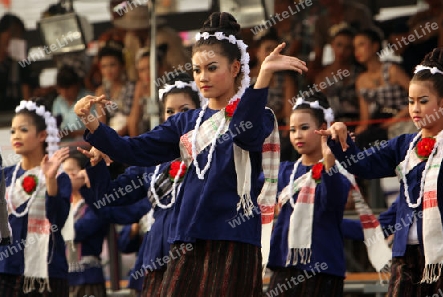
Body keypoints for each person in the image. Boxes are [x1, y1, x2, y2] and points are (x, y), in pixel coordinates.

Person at [74, 11, 307, 296]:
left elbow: (244, 134)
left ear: (235, 69)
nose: (202, 78)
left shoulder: (261, 116)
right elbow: (134, 149)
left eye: (211, 68)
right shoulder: (185, 122)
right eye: (197, 70)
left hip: (232, 239)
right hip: (186, 238)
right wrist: (93, 123)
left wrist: (263, 78)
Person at [317, 47, 443, 296]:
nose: (415, 108)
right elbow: (362, 165)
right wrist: (340, 142)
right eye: (410, 101)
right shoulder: (403, 144)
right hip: (404, 254)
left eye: (423, 101)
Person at [80, 73, 200, 297]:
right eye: (170, 112)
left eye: (185, 111)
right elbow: (109, 197)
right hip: (157, 257)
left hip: (198, 254)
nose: (177, 118)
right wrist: (97, 164)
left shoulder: (209, 157)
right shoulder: (151, 163)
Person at [265, 92, 350, 296]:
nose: (297, 135)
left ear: (322, 129)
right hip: (285, 265)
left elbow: (332, 204)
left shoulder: (337, 171)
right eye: (292, 129)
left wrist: (329, 161)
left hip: (322, 266)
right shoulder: (285, 171)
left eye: (304, 128)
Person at [0, 99, 71, 296]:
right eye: (13, 131)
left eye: (23, 129)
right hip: (6, 268)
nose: (16, 136)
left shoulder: (59, 177)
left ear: (42, 135)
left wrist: (49, 180)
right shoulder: (5, 175)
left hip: (47, 272)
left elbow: (58, 219)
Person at [353, 27, 414, 148]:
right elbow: (365, 120)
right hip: (380, 126)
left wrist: (394, 120)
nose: (357, 51)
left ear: (375, 46)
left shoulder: (393, 70)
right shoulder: (361, 80)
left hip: (403, 121)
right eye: (355, 47)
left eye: (361, 45)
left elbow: (417, 96)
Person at [61, 151, 109, 297]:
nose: (66, 177)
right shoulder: (64, 204)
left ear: (84, 174)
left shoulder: (94, 204)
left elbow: (79, 230)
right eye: (64, 172)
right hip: (64, 277)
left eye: (71, 172)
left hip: (87, 276)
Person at [250, 28, 297, 161]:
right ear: (257, 52)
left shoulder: (286, 80)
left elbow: (288, 114)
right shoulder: (244, 78)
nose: (271, 54)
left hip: (277, 130)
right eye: (268, 49)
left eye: (275, 50)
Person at [315, 24, 361, 126]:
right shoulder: (322, 74)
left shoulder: (359, 72)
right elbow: (320, 105)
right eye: (339, 45)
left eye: (348, 47)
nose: (342, 51)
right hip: (331, 124)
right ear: (332, 45)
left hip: (356, 122)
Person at [95, 40, 135, 137]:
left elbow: (133, 120)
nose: (108, 70)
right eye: (104, 66)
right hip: (111, 137)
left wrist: (114, 138)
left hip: (130, 136)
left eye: (112, 65)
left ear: (122, 66)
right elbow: (101, 122)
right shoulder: (102, 91)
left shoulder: (133, 87)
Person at [52, 65, 92, 142]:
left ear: (77, 85)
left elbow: (97, 130)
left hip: (86, 142)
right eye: (61, 89)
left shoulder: (89, 100)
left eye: (68, 88)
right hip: (62, 144)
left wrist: (71, 133)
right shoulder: (58, 102)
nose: (64, 93)